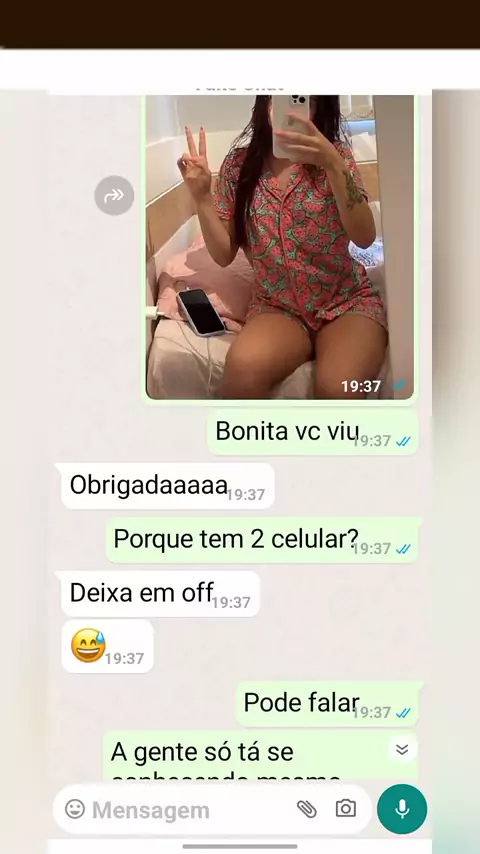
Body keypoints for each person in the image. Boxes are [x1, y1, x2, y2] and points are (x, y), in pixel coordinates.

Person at [177, 95, 387, 399]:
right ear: (265, 103)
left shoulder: (336, 156)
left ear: (317, 110)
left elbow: (365, 237)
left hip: (343, 301)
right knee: (241, 372)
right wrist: (202, 198)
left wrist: (332, 164)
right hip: (277, 306)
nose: (286, 109)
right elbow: (222, 255)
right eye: (278, 96)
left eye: (302, 100)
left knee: (337, 389)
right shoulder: (239, 166)